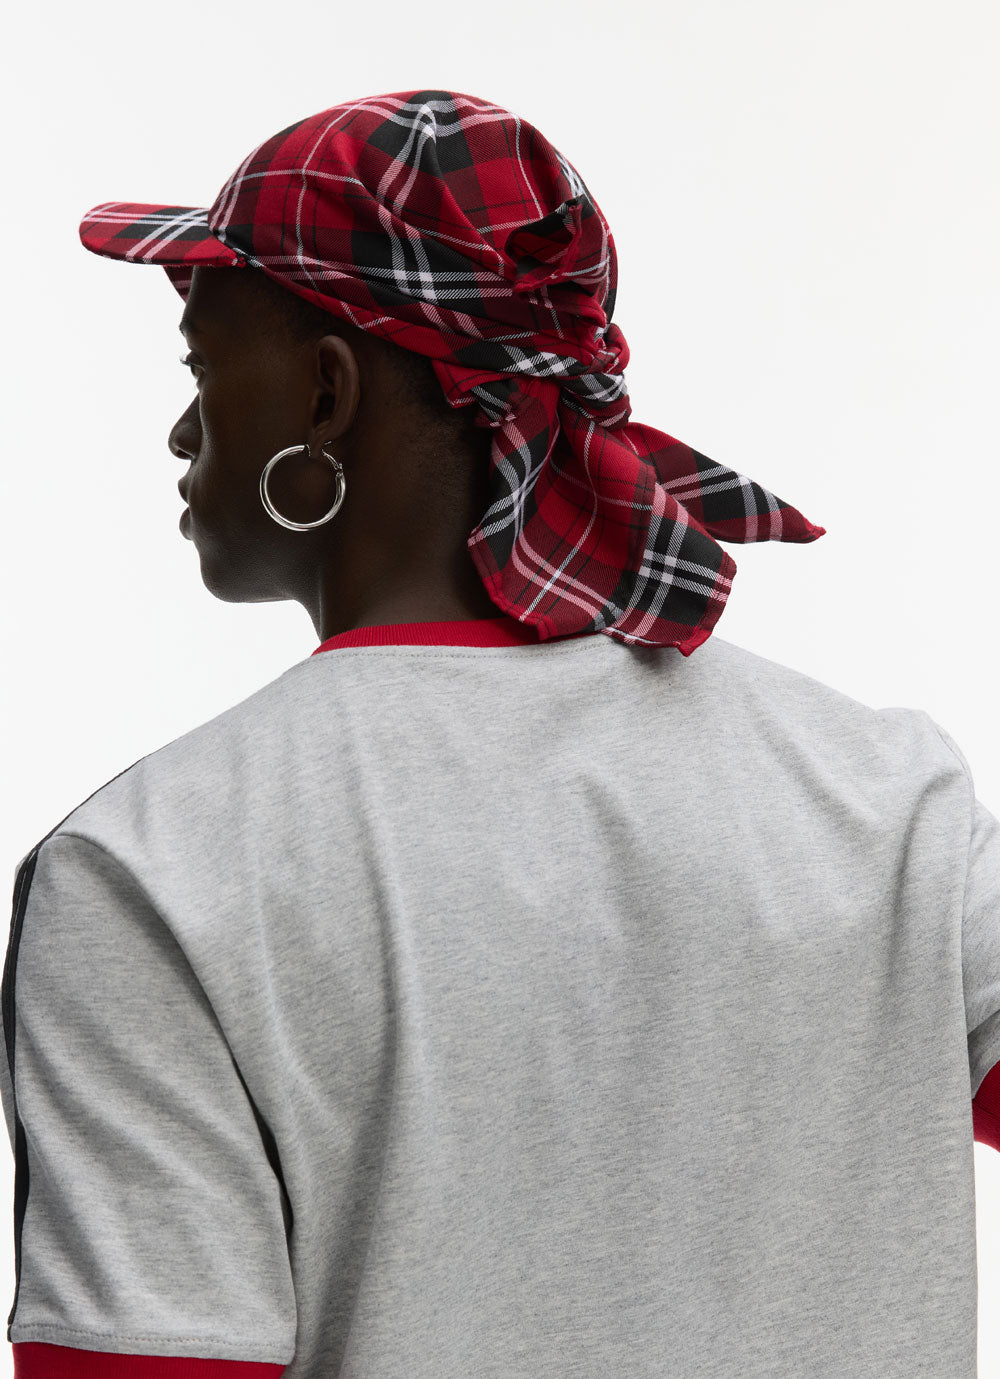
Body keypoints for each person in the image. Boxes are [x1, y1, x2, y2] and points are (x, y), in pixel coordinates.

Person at [1, 88, 997, 1379]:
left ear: (326, 392)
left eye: (202, 369)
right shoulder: (889, 799)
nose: (185, 430)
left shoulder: (154, 871)